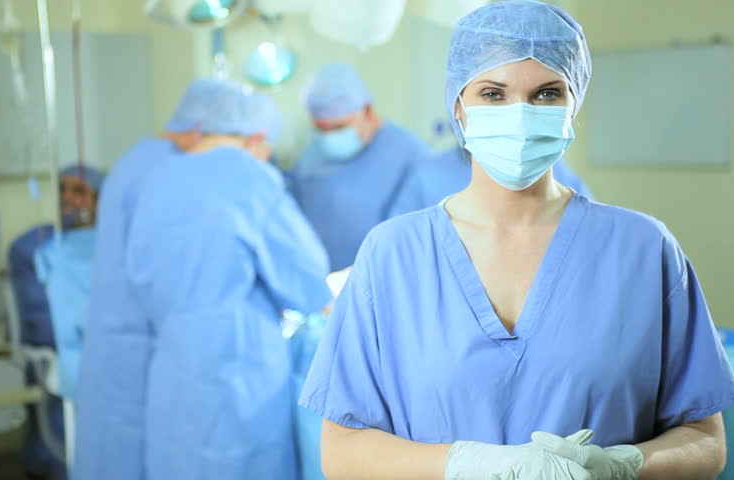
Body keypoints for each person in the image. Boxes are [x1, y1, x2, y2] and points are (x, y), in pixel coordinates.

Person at [299, 2, 733, 479]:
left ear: (574, 104)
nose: (521, 115)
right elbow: (341, 452)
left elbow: (705, 440)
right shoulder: (393, 254)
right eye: (493, 93)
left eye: (547, 94)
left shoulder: (643, 249)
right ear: (459, 105)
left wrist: (625, 466)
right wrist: (468, 465)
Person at [74, 83, 331, 480]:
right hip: (239, 376)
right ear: (257, 140)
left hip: (172, 375)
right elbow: (307, 280)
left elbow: (141, 276)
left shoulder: (155, 178)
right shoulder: (248, 176)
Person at [8, 164, 104, 480]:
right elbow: (43, 317)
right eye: (61, 189)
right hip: (61, 354)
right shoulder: (33, 246)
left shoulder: (114, 243)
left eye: (79, 191)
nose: (68, 198)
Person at [290, 63, 431, 271]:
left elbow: (418, 236)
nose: (329, 137)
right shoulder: (312, 155)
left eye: (339, 127)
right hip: (325, 287)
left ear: (367, 110)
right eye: (320, 128)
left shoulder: (411, 154)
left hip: (385, 281)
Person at [390, 146, 594, 217]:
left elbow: (587, 225)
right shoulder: (428, 174)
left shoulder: (552, 169)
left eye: (546, 94)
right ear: (457, 109)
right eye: (491, 95)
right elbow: (401, 244)